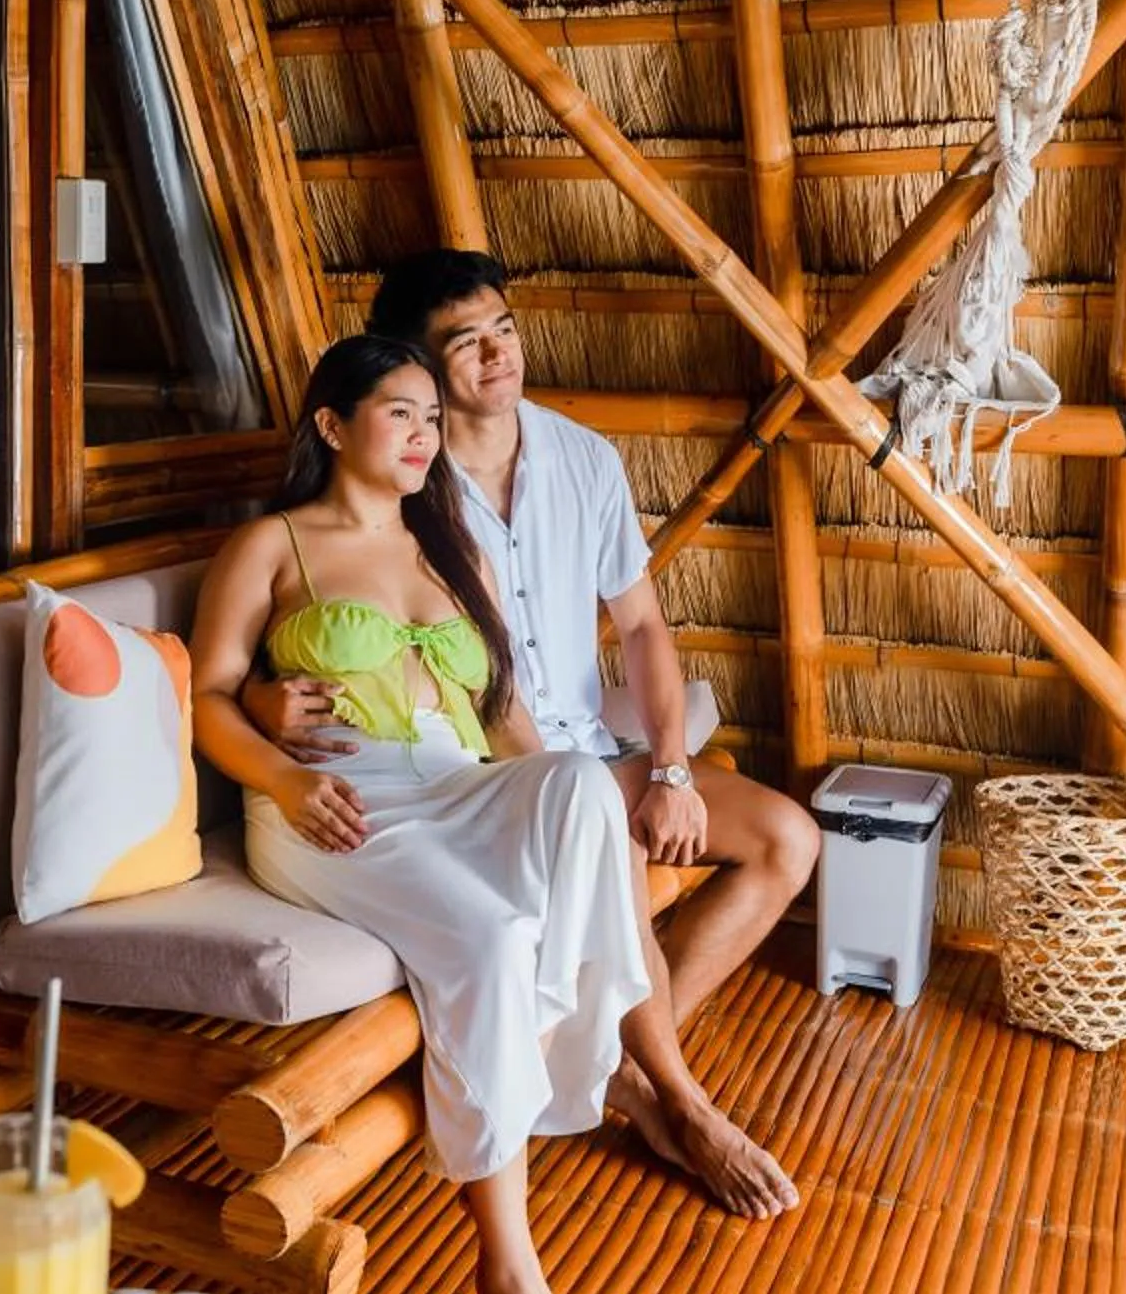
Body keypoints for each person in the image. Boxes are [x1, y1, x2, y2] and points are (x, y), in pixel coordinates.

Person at [188, 335, 793, 1294]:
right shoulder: (272, 544)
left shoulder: (442, 542)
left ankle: (619, 1065)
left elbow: (504, 717)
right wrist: (277, 768)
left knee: (577, 792)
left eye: (431, 418)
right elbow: (207, 697)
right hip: (336, 801)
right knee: (492, 938)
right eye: (399, 414)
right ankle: (509, 1271)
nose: (424, 436)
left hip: (453, 779)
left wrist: (552, 803)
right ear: (331, 424)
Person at [249, 250, 824, 1037]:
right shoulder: (402, 478)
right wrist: (258, 696)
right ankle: (641, 1073)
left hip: (592, 756)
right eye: (466, 341)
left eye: (505, 329)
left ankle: (623, 1060)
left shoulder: (586, 459)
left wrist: (670, 769)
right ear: (419, 364)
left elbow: (644, 625)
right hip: (480, 772)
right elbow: (316, 619)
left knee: (788, 839)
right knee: (608, 856)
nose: (499, 353)